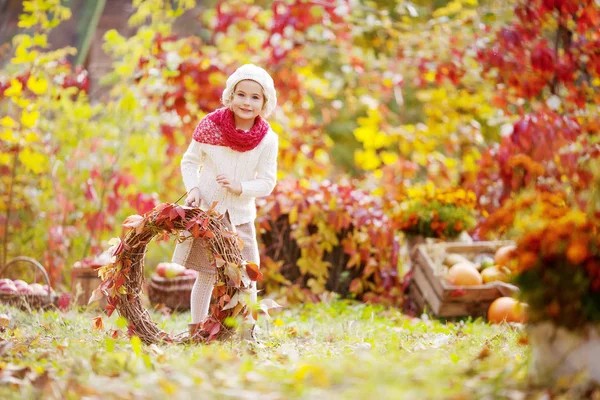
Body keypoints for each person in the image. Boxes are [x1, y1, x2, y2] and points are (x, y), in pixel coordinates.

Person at [171, 64, 279, 341]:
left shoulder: (267, 140)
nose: (247, 102)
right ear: (230, 95)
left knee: (247, 275)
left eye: (255, 97)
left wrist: (241, 187)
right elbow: (190, 161)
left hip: (240, 215)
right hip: (209, 211)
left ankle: (247, 334)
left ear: (265, 102)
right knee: (206, 275)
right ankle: (196, 331)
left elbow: (267, 182)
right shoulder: (211, 127)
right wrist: (193, 189)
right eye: (241, 94)